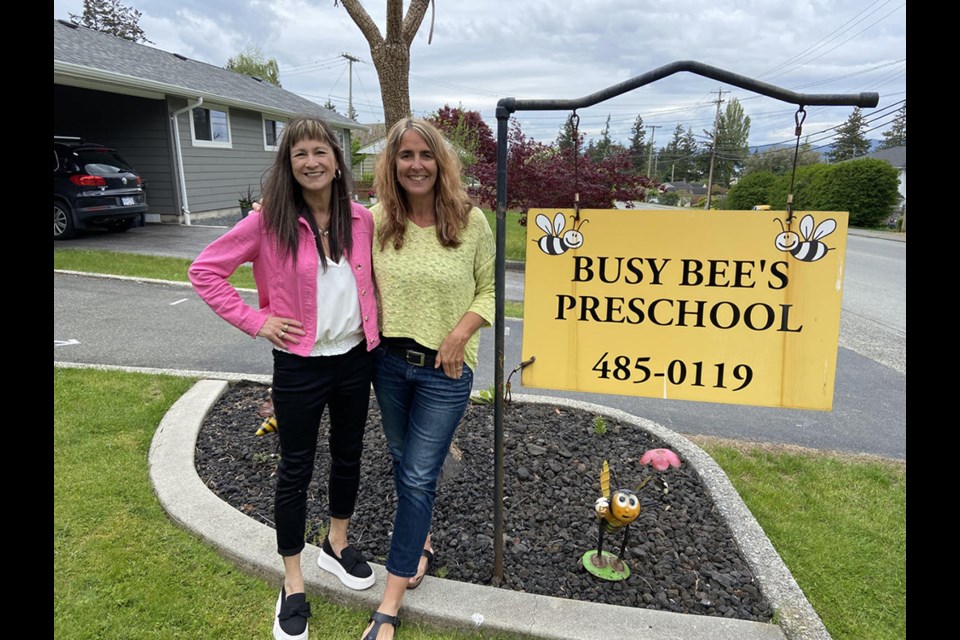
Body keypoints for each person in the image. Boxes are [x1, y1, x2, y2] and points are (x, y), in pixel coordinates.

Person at [188, 115, 381, 640]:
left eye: (322, 152)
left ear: (338, 163)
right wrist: (257, 320)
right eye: (301, 155)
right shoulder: (268, 222)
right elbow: (205, 271)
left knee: (348, 456)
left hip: (354, 358)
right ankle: (292, 580)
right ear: (289, 165)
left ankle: (337, 545)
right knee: (295, 468)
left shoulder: (361, 220)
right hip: (299, 365)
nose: (313, 162)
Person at [360, 118, 495, 640]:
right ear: (391, 164)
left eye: (425, 155)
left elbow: (488, 292)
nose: (416, 164)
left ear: (441, 162)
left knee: (417, 474)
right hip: (388, 366)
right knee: (403, 460)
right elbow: (323, 246)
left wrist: (460, 332)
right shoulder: (373, 221)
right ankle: (423, 535)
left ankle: (388, 606)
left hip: (446, 370)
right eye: (405, 155)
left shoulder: (470, 221)